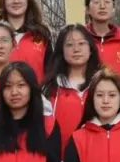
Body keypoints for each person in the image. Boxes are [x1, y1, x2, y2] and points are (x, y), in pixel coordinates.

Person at [42, 23, 101, 151]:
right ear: (61, 50)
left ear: (91, 49)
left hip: (97, 156)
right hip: (61, 158)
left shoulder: (103, 83)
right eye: (69, 45)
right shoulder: (49, 88)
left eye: (81, 43)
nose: (76, 49)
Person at [0, 0, 52, 85]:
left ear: (28, 0)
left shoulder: (41, 34)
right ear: (3, 1)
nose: (16, 1)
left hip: (37, 95)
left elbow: (51, 75)